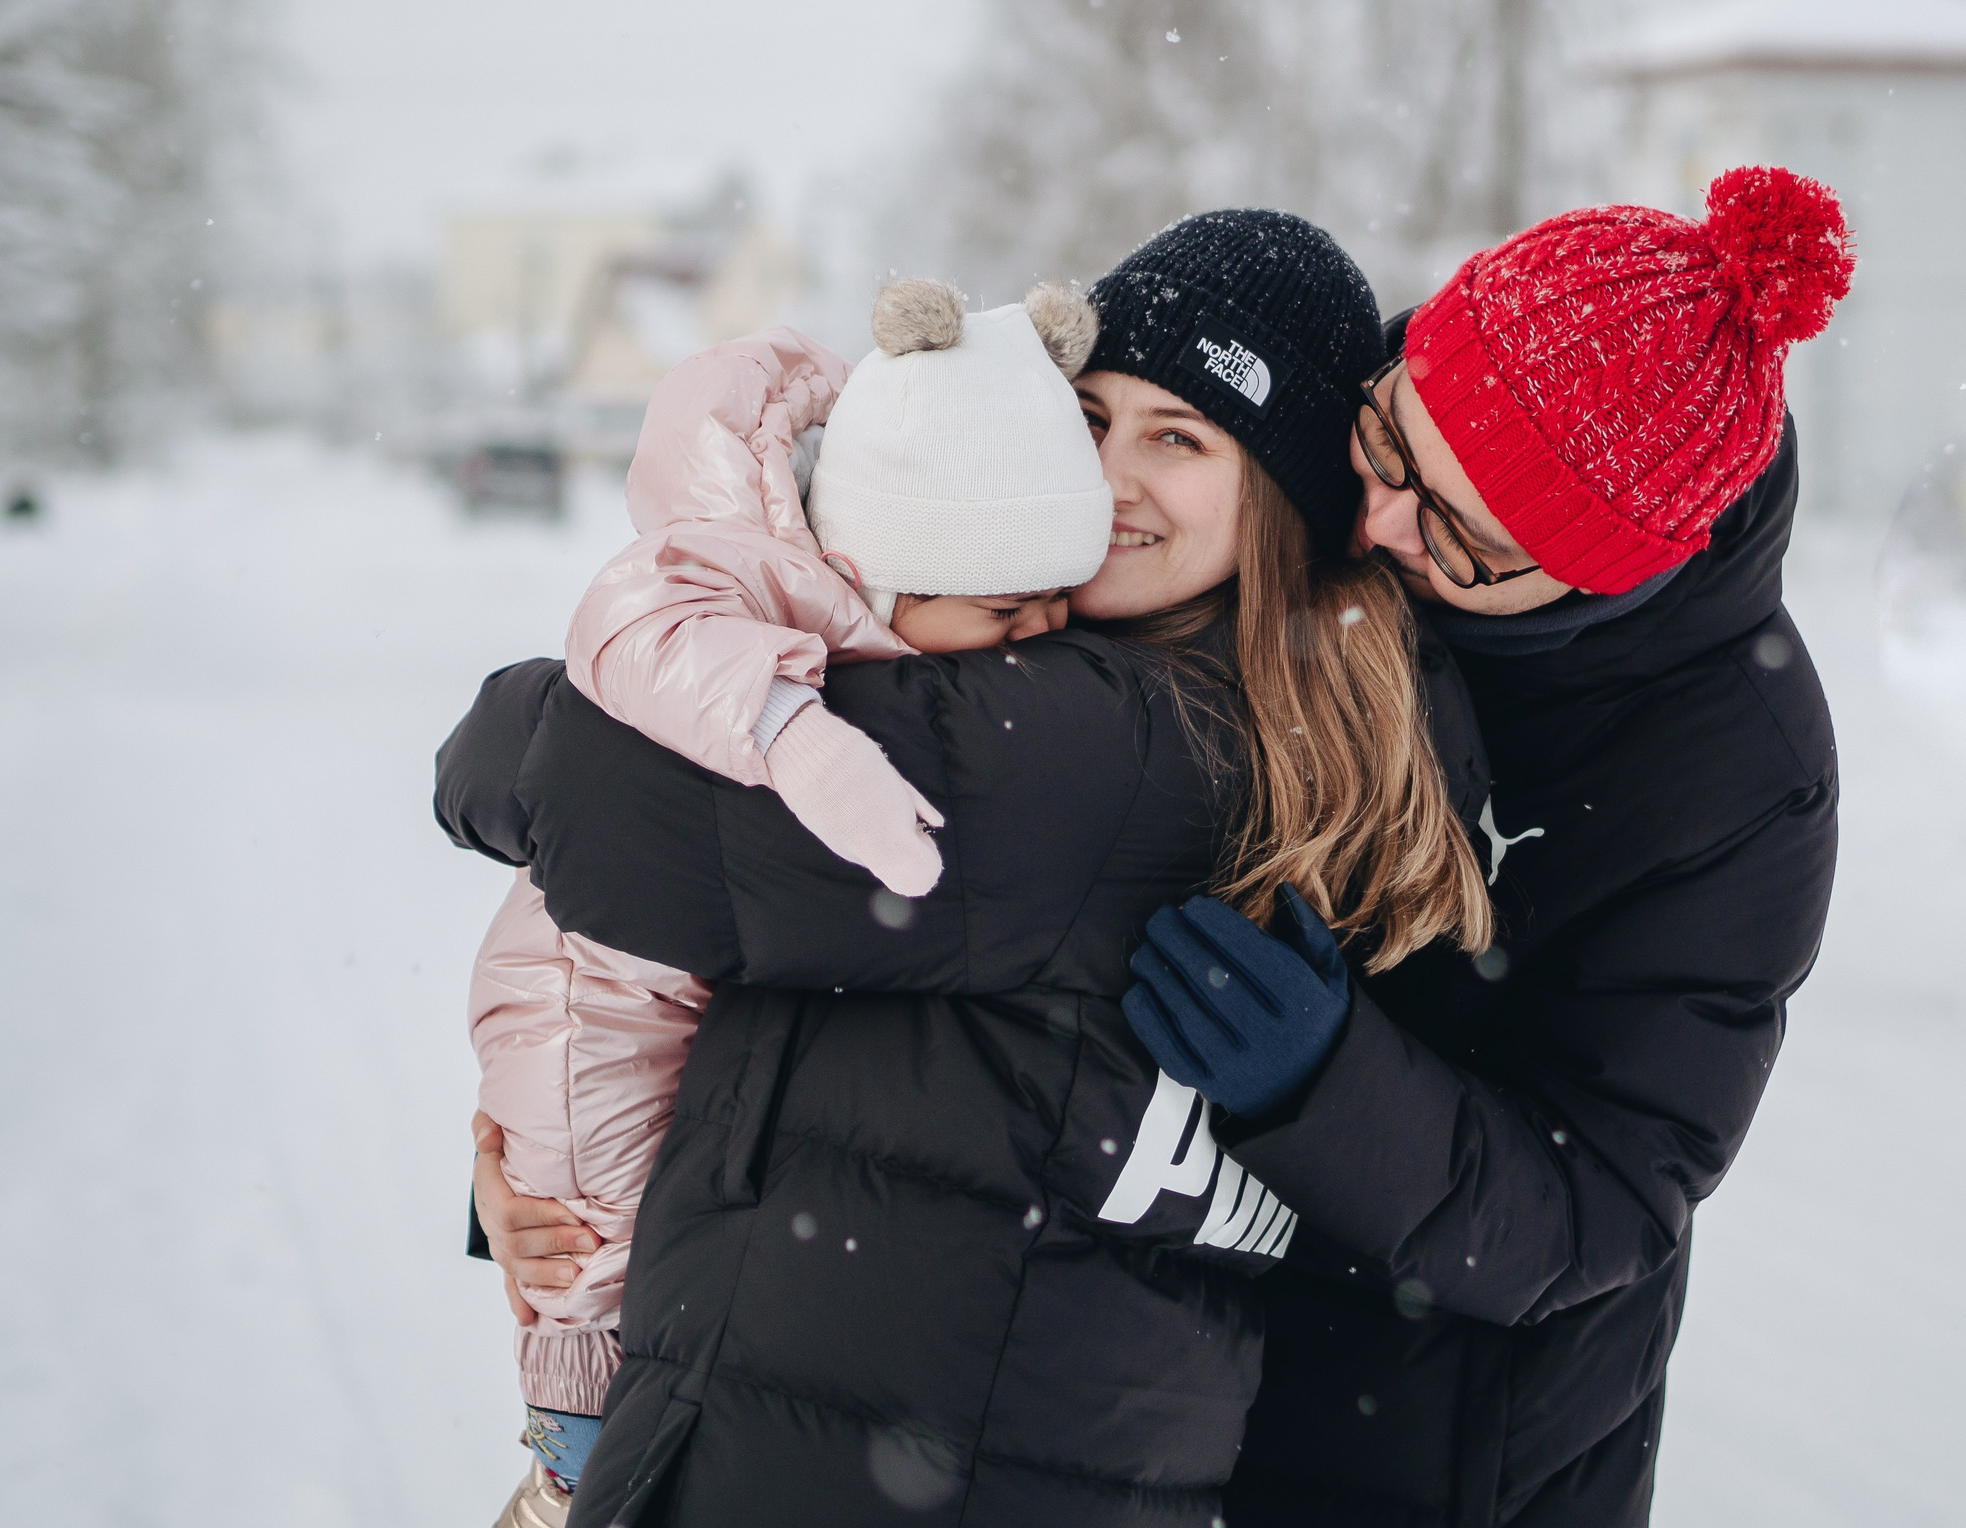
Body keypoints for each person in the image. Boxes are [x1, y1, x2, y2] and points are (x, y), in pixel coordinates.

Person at [438, 210, 1494, 1528]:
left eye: (1180, 438)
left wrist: (563, 1176)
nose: (1110, 475)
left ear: (1281, 498)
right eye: (1090, 417)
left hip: (849, 1460)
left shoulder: (1103, 738)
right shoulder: (1273, 705)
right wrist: (571, 1181)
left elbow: (596, 803)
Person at [1121, 168, 1855, 1527]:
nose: (1381, 523)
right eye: (1395, 446)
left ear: (1601, 572)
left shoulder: (1733, 773)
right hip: (1164, 1376)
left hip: (1449, 1441)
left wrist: (1328, 1088)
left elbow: (1601, 1210)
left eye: (1462, 539)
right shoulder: (1316, 441)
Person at [465, 281, 1116, 1527]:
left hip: (656, 982)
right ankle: (569, 1469)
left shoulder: (906, 604)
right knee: (583, 1239)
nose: (1040, 634)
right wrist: (792, 737)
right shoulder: (784, 576)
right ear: (887, 572)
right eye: (1005, 610)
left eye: (1054, 602)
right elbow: (629, 617)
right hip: (586, 987)